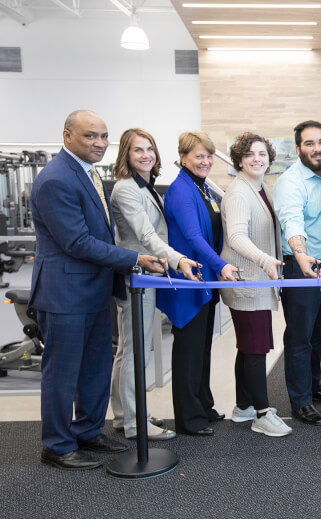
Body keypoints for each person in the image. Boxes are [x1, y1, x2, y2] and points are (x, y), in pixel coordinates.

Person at [30, 110, 164, 470]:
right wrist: (134, 258)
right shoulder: (56, 179)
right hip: (65, 293)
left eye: (104, 136)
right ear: (67, 135)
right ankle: (57, 445)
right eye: (91, 136)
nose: (100, 143)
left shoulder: (88, 174)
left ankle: (88, 430)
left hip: (94, 289)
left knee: (95, 367)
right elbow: (77, 242)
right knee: (63, 372)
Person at [110, 128, 199, 442]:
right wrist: (178, 260)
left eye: (149, 149)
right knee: (135, 350)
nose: (146, 155)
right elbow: (147, 235)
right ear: (126, 154)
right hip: (137, 277)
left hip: (146, 275)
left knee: (128, 349)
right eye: (138, 150)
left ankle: (126, 416)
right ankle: (135, 423)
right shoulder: (126, 189)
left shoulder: (143, 186)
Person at [157, 131, 239, 437]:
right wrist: (221, 265)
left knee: (202, 348)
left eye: (208, 156)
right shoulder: (181, 190)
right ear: (183, 157)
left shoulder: (201, 188)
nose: (204, 161)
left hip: (205, 281)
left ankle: (203, 405)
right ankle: (188, 419)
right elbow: (193, 237)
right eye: (197, 156)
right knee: (189, 351)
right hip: (189, 280)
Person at [273, 120, 321, 427]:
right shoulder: (290, 182)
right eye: (310, 144)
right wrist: (301, 256)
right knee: (300, 336)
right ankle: (300, 401)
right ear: (299, 148)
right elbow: (292, 221)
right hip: (300, 268)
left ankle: (313, 386)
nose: (317, 149)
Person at [220, 132, 291, 437]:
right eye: (250, 154)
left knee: (248, 347)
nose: (257, 159)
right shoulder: (239, 192)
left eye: (262, 154)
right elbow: (236, 237)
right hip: (250, 280)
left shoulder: (258, 187)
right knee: (256, 348)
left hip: (256, 280)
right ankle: (261, 414)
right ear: (239, 159)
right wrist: (264, 261)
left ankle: (243, 407)